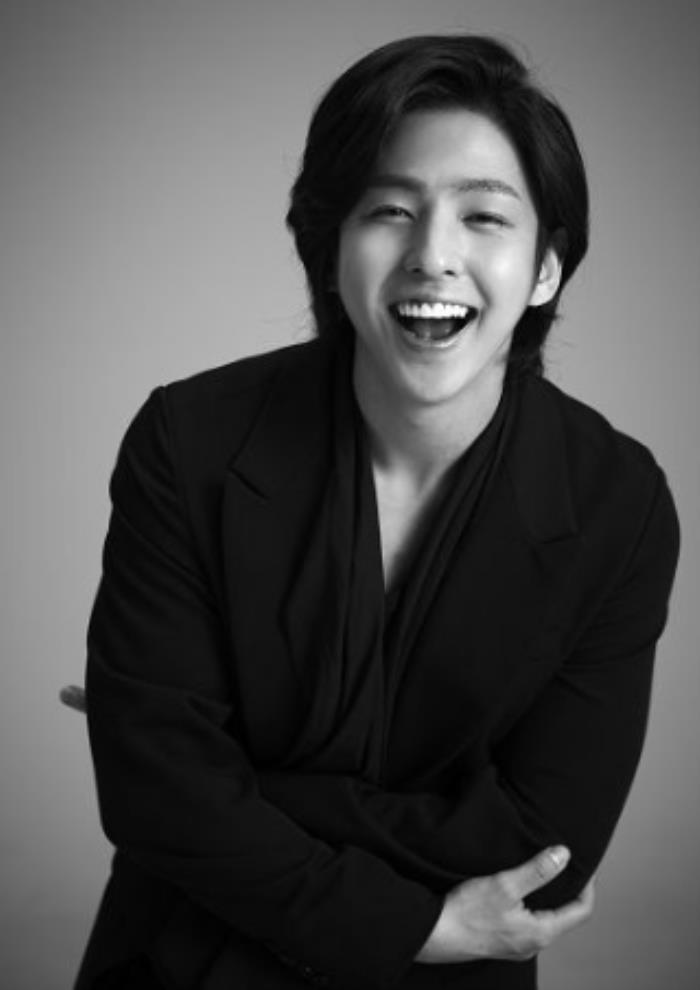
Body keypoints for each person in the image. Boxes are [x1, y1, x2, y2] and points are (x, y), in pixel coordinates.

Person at [73, 34, 680, 990]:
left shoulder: (619, 503)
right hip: (184, 958)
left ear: (546, 269)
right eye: (391, 210)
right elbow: (156, 795)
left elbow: (542, 844)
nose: (433, 256)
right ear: (330, 249)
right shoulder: (188, 441)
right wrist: (413, 924)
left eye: (485, 217)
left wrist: (224, 789)